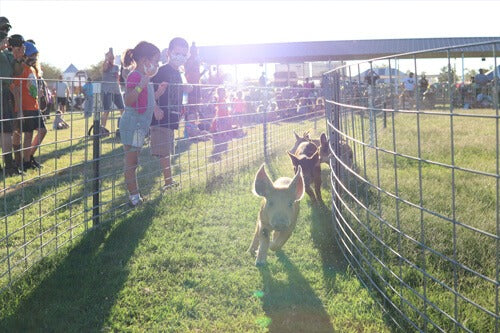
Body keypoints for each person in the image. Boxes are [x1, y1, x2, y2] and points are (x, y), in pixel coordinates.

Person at [119, 41, 167, 206]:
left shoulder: (145, 78)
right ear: (145, 60)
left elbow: (146, 100)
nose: (157, 64)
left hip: (140, 126)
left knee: (135, 160)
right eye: (155, 60)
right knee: (131, 162)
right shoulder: (135, 76)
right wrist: (141, 85)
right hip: (132, 124)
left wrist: (157, 93)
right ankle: (134, 197)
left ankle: (135, 195)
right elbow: (128, 100)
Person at [151, 37, 189, 190]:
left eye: (183, 55)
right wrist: (155, 108)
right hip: (161, 117)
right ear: (169, 52)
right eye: (177, 53)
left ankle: (169, 180)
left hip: (172, 116)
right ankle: (168, 182)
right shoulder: (161, 71)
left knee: (168, 149)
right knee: (164, 151)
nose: (180, 57)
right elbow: (150, 91)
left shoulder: (178, 72)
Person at [11, 41, 47, 171]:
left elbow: (32, 87)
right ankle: (24, 161)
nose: (34, 59)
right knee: (26, 134)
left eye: (36, 56)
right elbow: (14, 87)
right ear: (25, 56)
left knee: (40, 131)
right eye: (32, 56)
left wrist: (39, 93)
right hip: (25, 107)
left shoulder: (33, 69)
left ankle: (28, 157)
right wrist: (19, 109)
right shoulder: (21, 70)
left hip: (34, 106)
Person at [0, 17, 23, 176]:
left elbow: (16, 72)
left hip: (5, 92)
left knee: (6, 130)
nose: (6, 31)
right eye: (3, 28)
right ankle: (8, 167)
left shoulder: (7, 52)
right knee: (6, 131)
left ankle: (8, 166)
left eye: (7, 28)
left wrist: (18, 57)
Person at [101, 47, 125, 136]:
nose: (111, 59)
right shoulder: (105, 65)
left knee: (123, 109)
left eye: (112, 58)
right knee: (106, 110)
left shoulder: (116, 67)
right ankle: (102, 128)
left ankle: (124, 126)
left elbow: (118, 78)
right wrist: (106, 58)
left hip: (116, 90)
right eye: (110, 58)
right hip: (107, 90)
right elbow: (104, 67)